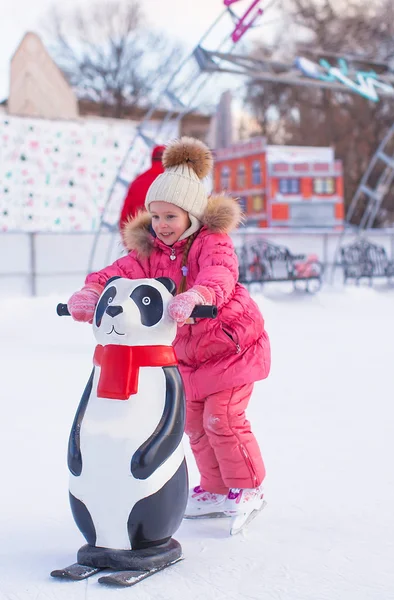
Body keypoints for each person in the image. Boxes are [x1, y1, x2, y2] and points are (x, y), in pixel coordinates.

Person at [67, 136, 270, 520]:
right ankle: (214, 488)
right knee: (194, 424)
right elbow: (118, 273)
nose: (161, 225)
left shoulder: (212, 242)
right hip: (189, 356)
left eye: (170, 217)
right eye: (155, 216)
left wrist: (198, 296)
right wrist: (93, 290)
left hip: (232, 347)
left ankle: (248, 488)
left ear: (191, 215)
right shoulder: (149, 251)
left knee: (222, 419)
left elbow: (220, 274)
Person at [118, 145, 166, 233]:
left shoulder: (137, 182)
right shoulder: (174, 181)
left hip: (141, 240)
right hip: (168, 240)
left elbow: (124, 218)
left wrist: (131, 244)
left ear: (151, 159)